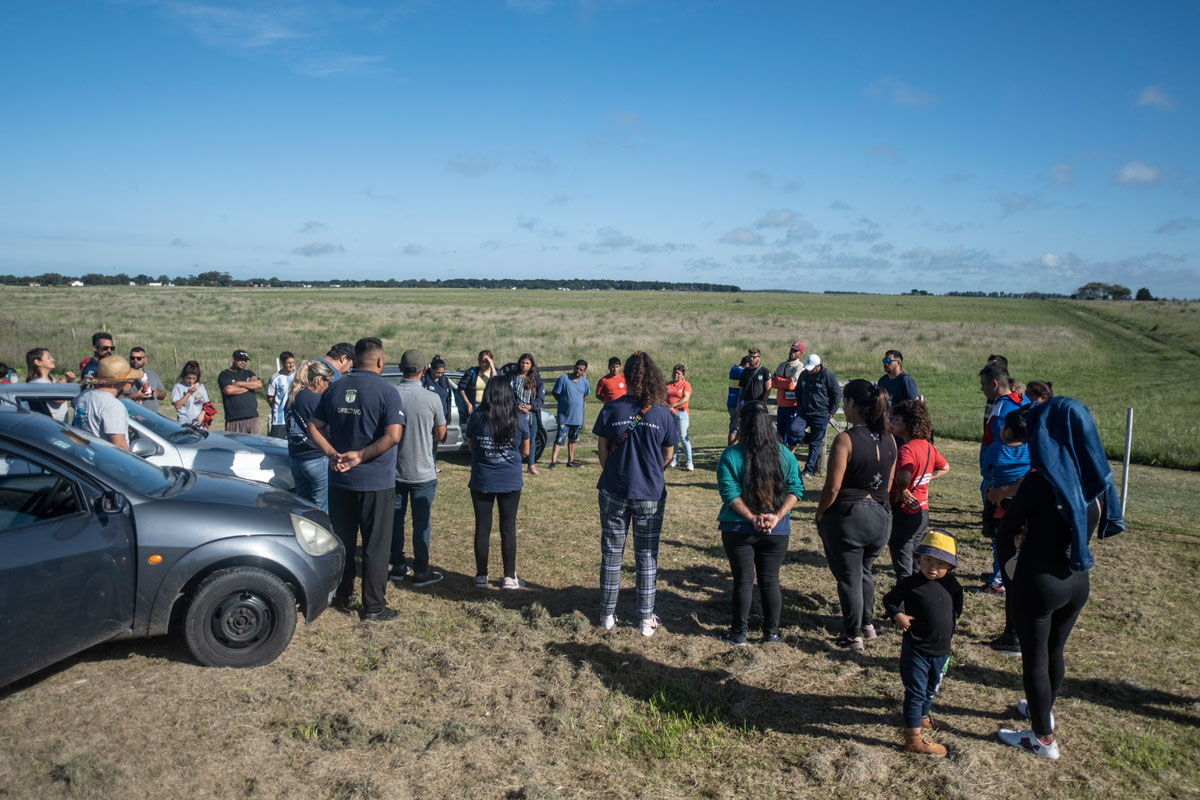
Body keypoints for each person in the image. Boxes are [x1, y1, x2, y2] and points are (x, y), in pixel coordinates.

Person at [996, 397, 1124, 760]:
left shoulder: (1040, 482)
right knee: (1054, 651)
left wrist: (1010, 569)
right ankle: (1042, 709)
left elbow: (1005, 530)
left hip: (1039, 580)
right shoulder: (1094, 481)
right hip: (1077, 581)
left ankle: (1042, 738)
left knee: (1034, 659)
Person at [308, 337, 406, 622]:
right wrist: (360, 456)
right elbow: (394, 435)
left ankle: (342, 593)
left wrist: (331, 454)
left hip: (340, 482)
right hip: (375, 482)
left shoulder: (335, 388)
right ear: (380, 360)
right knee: (375, 546)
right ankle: (374, 607)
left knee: (343, 542)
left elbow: (313, 426)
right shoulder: (387, 392)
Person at [592, 351, 678, 636]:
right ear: (655, 377)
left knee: (612, 554)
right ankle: (645, 618)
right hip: (650, 493)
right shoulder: (663, 413)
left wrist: (618, 471)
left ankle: (606, 614)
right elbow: (668, 455)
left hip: (614, 489)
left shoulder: (611, 410)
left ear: (625, 377)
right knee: (647, 556)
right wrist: (650, 471)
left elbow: (603, 455)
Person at [815, 379, 897, 650]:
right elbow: (887, 485)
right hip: (882, 518)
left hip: (851, 515)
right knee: (865, 571)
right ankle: (867, 625)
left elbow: (833, 486)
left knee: (849, 577)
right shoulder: (890, 440)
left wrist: (821, 513)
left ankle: (853, 636)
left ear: (851, 403)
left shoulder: (845, 440)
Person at [716, 401, 804, 646]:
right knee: (769, 580)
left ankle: (739, 634)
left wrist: (751, 517)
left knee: (743, 581)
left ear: (742, 424)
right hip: (776, 530)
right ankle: (771, 634)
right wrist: (776, 515)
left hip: (738, 528)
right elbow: (796, 489)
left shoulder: (731, 455)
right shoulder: (785, 454)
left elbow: (729, 493)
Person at [882, 530, 964, 757]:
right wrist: (897, 615)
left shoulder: (952, 585)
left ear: (950, 566)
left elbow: (957, 607)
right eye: (927, 560)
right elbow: (889, 600)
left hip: (941, 650)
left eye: (940, 563)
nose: (932, 567)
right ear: (919, 558)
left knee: (931, 688)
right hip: (916, 648)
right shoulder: (910, 583)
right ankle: (913, 739)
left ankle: (923, 717)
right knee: (916, 692)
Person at [389, 349, 448, 588]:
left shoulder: (391, 394)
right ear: (424, 370)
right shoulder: (432, 398)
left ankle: (398, 565)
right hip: (423, 471)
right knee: (421, 523)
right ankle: (421, 570)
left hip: (394, 471)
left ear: (401, 368)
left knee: (395, 521)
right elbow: (441, 435)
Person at [466, 375, 531, 589]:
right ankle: (509, 577)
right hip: (509, 480)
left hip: (482, 479)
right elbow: (526, 451)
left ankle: (481, 576)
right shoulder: (519, 419)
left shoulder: (476, 418)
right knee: (508, 527)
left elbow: (471, 447)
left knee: (482, 527)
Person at [888, 400, 950, 580]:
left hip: (905, 512)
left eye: (897, 419)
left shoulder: (907, 449)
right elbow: (945, 467)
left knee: (903, 565)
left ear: (908, 425)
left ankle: (903, 603)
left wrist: (902, 489)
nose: (893, 422)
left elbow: (903, 476)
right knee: (918, 562)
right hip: (922, 510)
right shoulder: (928, 446)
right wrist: (925, 477)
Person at [285, 359, 334, 512]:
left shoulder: (293, 396)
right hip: (316, 458)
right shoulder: (315, 400)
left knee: (302, 507)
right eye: (328, 382)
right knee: (321, 508)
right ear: (319, 380)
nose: (329, 386)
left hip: (296, 458)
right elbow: (328, 428)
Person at [73, 355, 143, 450]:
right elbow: (119, 446)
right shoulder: (113, 406)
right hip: (104, 461)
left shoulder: (83, 396)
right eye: (129, 380)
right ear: (121, 382)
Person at [792, 354, 842, 478]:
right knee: (794, 429)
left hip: (821, 413)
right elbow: (798, 391)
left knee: (815, 444)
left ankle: (808, 470)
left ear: (818, 366)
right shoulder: (804, 374)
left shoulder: (828, 376)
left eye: (811, 367)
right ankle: (813, 440)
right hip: (804, 412)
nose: (809, 370)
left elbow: (837, 394)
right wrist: (799, 406)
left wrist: (831, 412)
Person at [508, 352, 545, 475]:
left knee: (531, 439)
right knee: (514, 439)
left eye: (527, 363)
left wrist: (530, 406)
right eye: (522, 362)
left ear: (531, 365)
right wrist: (515, 406)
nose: (524, 365)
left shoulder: (536, 379)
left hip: (531, 414)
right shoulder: (512, 377)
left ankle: (531, 465)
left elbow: (540, 398)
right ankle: (514, 464)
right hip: (515, 413)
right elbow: (507, 395)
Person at [550, 359, 589, 468]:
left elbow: (585, 396)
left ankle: (570, 460)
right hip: (564, 416)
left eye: (581, 370)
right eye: (577, 368)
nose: (578, 371)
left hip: (576, 417)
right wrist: (563, 402)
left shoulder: (585, 383)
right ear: (574, 367)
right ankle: (553, 461)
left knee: (573, 440)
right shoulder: (564, 379)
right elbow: (555, 393)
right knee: (559, 439)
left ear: (584, 371)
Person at [218, 349, 263, 434]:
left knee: (254, 445)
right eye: (241, 360)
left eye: (245, 360)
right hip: (234, 419)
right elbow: (228, 390)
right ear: (233, 359)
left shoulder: (249, 373)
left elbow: (259, 384)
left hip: (252, 418)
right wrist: (249, 386)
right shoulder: (225, 374)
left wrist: (238, 383)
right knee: (234, 446)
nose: (243, 362)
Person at [24, 347, 75, 422]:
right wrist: (63, 385)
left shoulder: (51, 379)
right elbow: (59, 399)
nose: (53, 359)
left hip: (60, 424)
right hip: (51, 424)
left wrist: (68, 382)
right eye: (48, 357)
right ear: (38, 362)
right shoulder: (38, 383)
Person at [770, 342, 806, 446]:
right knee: (780, 435)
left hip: (793, 406)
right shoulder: (782, 365)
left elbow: (791, 385)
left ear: (800, 354)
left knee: (792, 436)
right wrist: (785, 382)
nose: (792, 352)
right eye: (791, 349)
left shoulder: (800, 367)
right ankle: (782, 459)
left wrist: (779, 381)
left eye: (795, 350)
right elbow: (772, 382)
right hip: (781, 406)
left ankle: (790, 459)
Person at [666, 364, 694, 471]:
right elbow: (661, 397)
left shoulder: (685, 384)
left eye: (678, 373)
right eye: (674, 373)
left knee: (683, 437)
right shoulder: (667, 385)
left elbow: (685, 398)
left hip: (681, 413)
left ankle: (689, 461)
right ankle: (674, 459)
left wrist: (672, 405)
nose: (675, 375)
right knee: (673, 437)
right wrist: (668, 407)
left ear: (683, 375)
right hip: (669, 413)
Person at [457, 349, 497, 419]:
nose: (484, 364)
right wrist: (467, 403)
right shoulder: (472, 372)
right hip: (475, 406)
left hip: (490, 407)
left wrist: (492, 367)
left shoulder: (496, 372)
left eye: (486, 362)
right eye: (482, 362)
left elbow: (498, 384)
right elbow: (461, 389)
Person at [171, 361, 211, 427]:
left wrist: (202, 414)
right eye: (189, 378)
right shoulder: (178, 387)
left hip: (199, 424)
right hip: (184, 423)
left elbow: (206, 404)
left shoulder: (200, 386)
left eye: (194, 378)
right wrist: (189, 393)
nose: (191, 381)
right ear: (184, 376)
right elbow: (177, 406)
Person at [266, 351, 296, 439]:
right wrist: (278, 408)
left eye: (293, 362)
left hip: (295, 418)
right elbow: (270, 398)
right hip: (280, 420)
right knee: (277, 445)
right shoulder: (275, 378)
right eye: (289, 363)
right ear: (282, 363)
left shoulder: (298, 376)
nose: (291, 365)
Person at [128, 347, 167, 413]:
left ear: (145, 359)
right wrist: (135, 396)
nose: (135, 360)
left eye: (139, 358)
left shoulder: (152, 374)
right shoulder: (123, 375)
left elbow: (163, 394)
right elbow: (117, 398)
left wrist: (157, 393)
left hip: (151, 415)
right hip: (132, 415)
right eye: (132, 358)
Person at [726, 354, 752, 445]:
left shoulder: (733, 370)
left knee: (736, 426)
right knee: (735, 428)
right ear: (747, 364)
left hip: (730, 402)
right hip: (738, 403)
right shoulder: (742, 373)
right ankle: (731, 449)